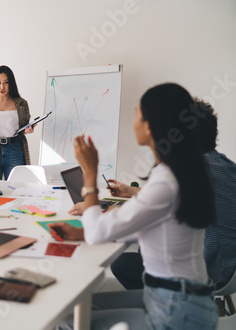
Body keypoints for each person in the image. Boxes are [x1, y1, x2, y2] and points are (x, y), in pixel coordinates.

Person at [51, 83, 219, 329]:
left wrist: (90, 174)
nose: (134, 122)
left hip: (177, 311)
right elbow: (146, 223)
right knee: (78, 311)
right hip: (180, 299)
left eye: (137, 114)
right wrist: (82, 232)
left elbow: (99, 234)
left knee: (69, 323)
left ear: (151, 126)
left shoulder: (166, 181)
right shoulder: (183, 171)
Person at [109, 99, 236, 291]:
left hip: (208, 271)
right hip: (228, 265)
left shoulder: (191, 170)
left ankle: (163, 308)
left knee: (122, 262)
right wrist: (132, 191)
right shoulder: (223, 165)